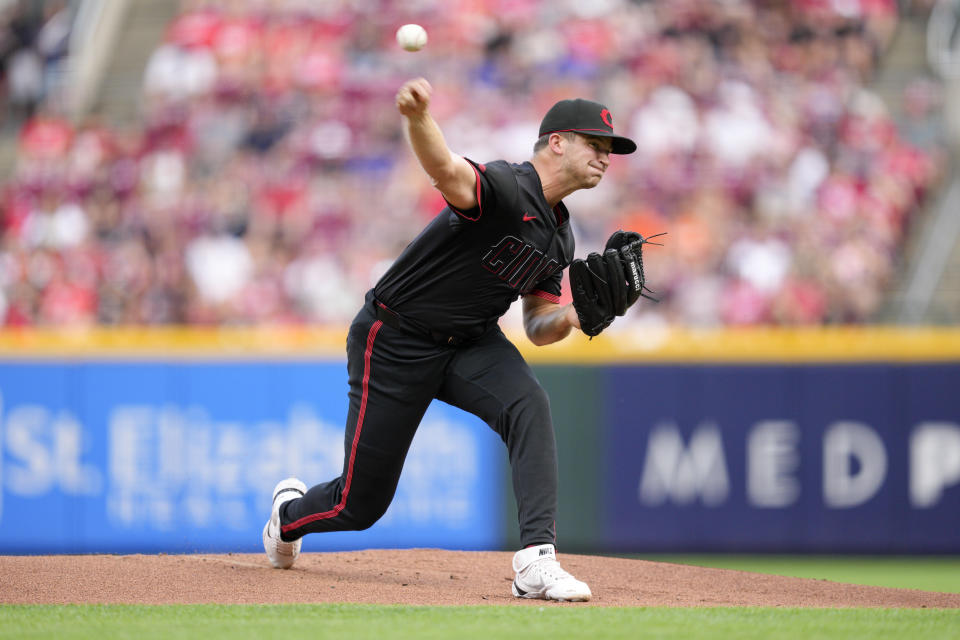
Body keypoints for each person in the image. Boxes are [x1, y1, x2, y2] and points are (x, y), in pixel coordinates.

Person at [263, 77, 638, 602]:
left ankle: (536, 559)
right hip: (395, 336)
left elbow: (536, 324)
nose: (605, 157)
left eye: (610, 150)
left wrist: (574, 318)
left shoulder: (561, 233)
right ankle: (287, 516)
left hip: (471, 342)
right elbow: (445, 168)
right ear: (557, 142)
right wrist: (418, 117)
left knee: (529, 404)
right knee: (360, 504)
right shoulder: (509, 187)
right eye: (595, 145)